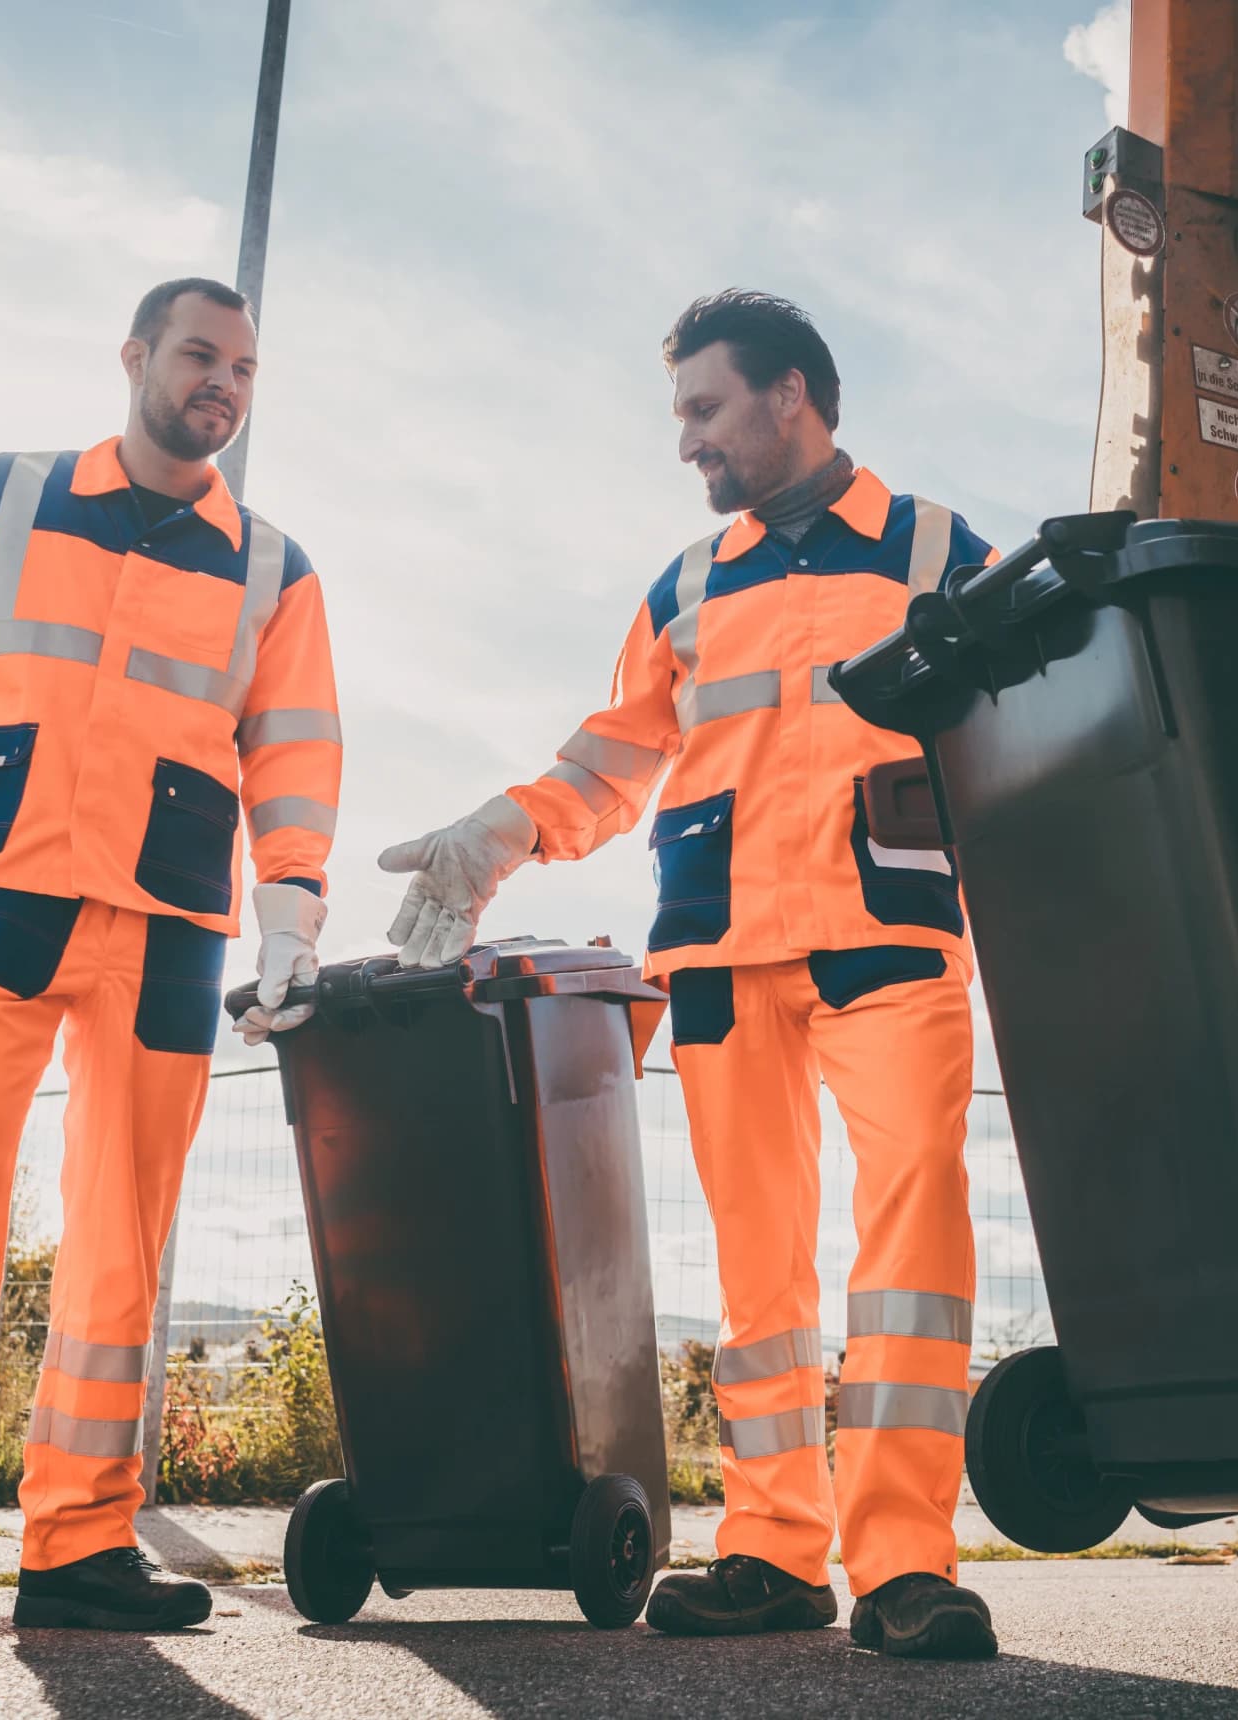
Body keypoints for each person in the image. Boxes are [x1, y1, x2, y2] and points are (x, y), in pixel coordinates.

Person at [380, 290, 997, 1660]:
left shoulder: (943, 552)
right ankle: (777, 1554)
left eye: (704, 411)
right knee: (758, 1274)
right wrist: (506, 831)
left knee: (914, 1248)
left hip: (884, 937)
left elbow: (1026, 739)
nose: (687, 445)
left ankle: (905, 1563)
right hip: (719, 956)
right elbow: (612, 759)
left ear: (790, 396)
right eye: (680, 418)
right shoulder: (685, 586)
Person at [0, 278, 342, 1658]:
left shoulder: (275, 567)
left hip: (168, 914)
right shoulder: (3, 497)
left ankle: (82, 1542)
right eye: (201, 355)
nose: (223, 383)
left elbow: (297, 751)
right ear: (138, 355)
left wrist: (293, 918)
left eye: (246, 369)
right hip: (0, 888)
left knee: (122, 1239)